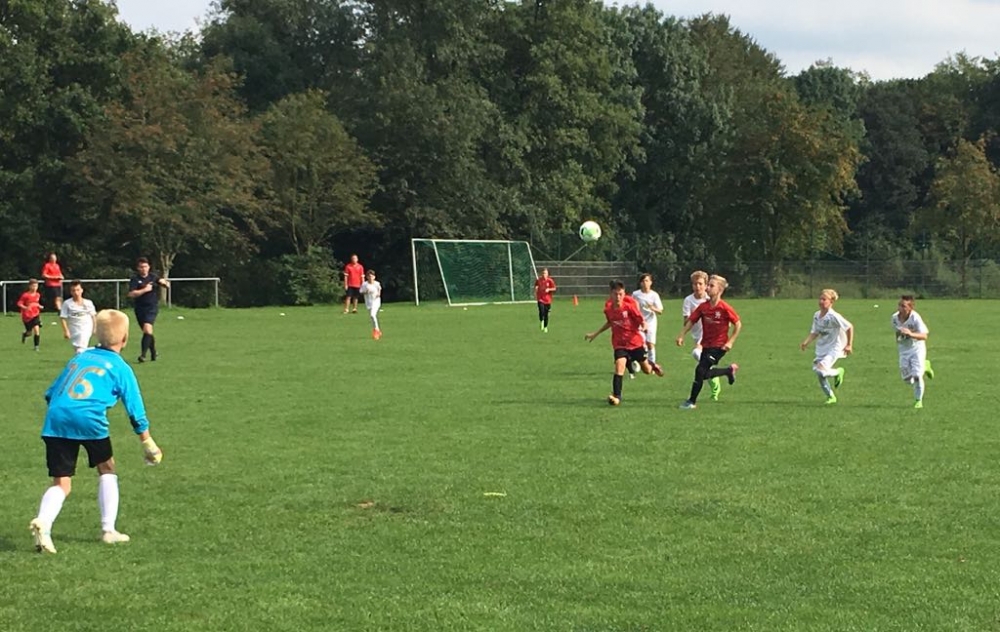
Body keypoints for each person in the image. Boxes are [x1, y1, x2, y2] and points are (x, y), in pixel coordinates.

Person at [28, 309, 163, 554]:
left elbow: (51, 393)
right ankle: (108, 530)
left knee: (61, 482)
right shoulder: (121, 368)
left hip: (56, 419)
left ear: (95, 334)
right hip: (90, 420)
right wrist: (147, 443)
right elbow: (135, 409)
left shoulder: (80, 358)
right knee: (107, 468)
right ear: (125, 338)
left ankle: (44, 523)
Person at [585, 280, 664, 406]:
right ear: (611, 294)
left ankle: (652, 365)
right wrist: (595, 333)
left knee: (647, 370)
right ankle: (617, 396)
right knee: (619, 365)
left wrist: (644, 325)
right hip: (619, 344)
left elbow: (641, 319)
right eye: (615, 294)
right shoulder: (608, 309)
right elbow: (610, 322)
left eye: (621, 294)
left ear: (624, 294)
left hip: (635, 343)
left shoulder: (629, 307)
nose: (618, 297)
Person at [675, 274, 741, 409]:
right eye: (708, 285)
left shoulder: (724, 307)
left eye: (711, 286)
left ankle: (691, 402)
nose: (707, 288)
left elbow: (738, 324)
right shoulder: (703, 307)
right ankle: (728, 371)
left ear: (720, 290)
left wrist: (730, 342)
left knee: (700, 371)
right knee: (703, 373)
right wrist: (681, 335)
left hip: (719, 346)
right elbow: (691, 321)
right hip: (706, 345)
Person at [799, 289, 854, 405]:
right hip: (822, 348)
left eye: (824, 299)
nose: (821, 301)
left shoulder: (833, 316)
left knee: (821, 370)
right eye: (820, 299)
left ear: (831, 302)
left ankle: (838, 372)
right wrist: (806, 342)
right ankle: (831, 397)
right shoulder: (816, 315)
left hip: (834, 348)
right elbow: (815, 332)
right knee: (820, 374)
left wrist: (849, 345)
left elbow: (849, 327)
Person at [682, 270, 722, 400]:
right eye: (695, 284)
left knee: (696, 353)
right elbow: (686, 322)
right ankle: (713, 377)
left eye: (700, 284)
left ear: (706, 285)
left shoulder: (710, 299)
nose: (697, 286)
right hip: (696, 334)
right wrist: (695, 315)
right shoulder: (688, 300)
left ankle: (713, 376)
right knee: (703, 362)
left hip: (709, 335)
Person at [892, 295, 934, 409]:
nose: (900, 308)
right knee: (907, 379)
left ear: (910, 308)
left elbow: (924, 336)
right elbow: (897, 332)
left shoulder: (915, 318)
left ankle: (918, 401)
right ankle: (925, 366)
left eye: (903, 306)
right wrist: (899, 339)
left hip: (917, 349)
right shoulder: (894, 318)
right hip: (903, 350)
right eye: (899, 305)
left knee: (917, 376)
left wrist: (910, 334)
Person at [127, 257, 170, 363]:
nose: (144, 269)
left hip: (151, 307)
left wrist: (164, 283)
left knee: (147, 329)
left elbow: (165, 283)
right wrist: (144, 290)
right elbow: (131, 294)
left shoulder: (153, 277)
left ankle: (143, 355)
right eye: (141, 267)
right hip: (139, 308)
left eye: (145, 266)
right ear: (138, 268)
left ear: (149, 267)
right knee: (148, 332)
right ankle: (154, 352)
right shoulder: (135, 279)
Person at [632, 273, 663, 367]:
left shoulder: (654, 295)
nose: (645, 283)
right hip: (639, 321)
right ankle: (641, 362)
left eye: (647, 281)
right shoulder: (636, 294)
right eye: (643, 281)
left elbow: (660, 311)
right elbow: (631, 306)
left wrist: (653, 308)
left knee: (650, 343)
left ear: (651, 282)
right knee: (640, 342)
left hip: (651, 321)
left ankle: (652, 364)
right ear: (640, 283)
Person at [60, 280, 98, 354]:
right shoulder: (67, 303)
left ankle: (85, 358)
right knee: (78, 348)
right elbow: (63, 318)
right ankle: (95, 350)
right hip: (74, 329)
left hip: (86, 327)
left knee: (81, 348)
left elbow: (93, 316)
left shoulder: (88, 303)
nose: (76, 293)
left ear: (82, 290)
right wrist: (66, 331)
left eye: (78, 290)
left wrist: (95, 328)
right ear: (71, 292)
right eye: (73, 290)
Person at [17, 279, 43, 351]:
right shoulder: (25, 295)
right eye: (33, 286)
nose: (35, 288)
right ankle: (25, 334)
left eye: (36, 286)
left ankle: (36, 346)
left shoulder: (38, 295)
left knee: (37, 330)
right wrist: (25, 308)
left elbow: (36, 303)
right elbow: (19, 303)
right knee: (29, 333)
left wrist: (39, 306)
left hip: (36, 314)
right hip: (27, 316)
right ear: (29, 286)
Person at [360, 269, 383, 340]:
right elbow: (361, 291)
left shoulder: (377, 283)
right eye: (369, 276)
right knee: (372, 317)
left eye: (372, 276)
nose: (370, 278)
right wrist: (366, 292)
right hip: (369, 302)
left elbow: (379, 289)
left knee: (372, 315)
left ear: (374, 277)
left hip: (376, 301)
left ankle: (376, 331)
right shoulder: (365, 284)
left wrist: (378, 294)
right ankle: (377, 330)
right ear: (367, 277)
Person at [534, 268, 557, 332]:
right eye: (543, 273)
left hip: (547, 300)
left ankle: (545, 327)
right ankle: (541, 321)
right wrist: (536, 289)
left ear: (547, 274)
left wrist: (549, 289)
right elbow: (536, 285)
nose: (544, 274)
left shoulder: (550, 281)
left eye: (545, 273)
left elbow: (554, 288)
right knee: (541, 311)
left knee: (546, 314)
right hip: (540, 299)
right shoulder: (539, 280)